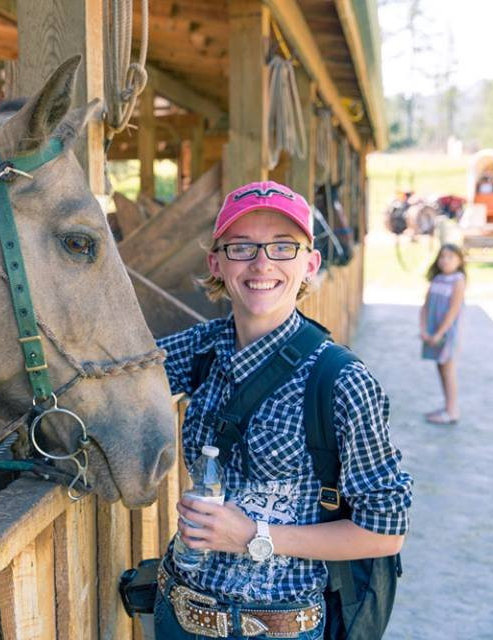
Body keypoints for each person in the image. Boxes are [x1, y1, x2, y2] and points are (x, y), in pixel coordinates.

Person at [154, 181, 413, 640]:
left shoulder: (341, 381)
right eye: (241, 247)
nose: (262, 263)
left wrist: (253, 535)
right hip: (176, 612)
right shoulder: (202, 349)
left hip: (275, 628)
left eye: (282, 247)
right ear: (216, 262)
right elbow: (109, 375)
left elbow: (385, 532)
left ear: (310, 263)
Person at [420, 243, 466, 425]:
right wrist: (424, 329)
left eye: (450, 257)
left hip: (447, 333)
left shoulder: (458, 280)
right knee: (440, 367)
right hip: (433, 332)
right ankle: (447, 406)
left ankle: (452, 411)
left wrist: (439, 333)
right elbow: (425, 306)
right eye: (442, 256)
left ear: (459, 260)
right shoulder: (437, 279)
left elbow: (453, 312)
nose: (445, 260)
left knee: (448, 369)